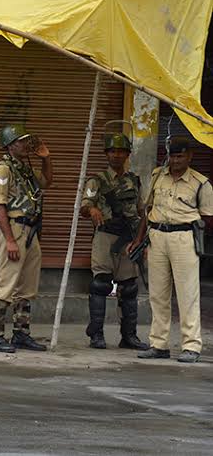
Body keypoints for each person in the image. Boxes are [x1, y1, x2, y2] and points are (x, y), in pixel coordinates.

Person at [130, 137, 213, 363]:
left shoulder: (201, 183)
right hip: (157, 237)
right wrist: (139, 239)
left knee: (188, 294)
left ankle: (191, 346)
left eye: (179, 156)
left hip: (184, 238)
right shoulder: (158, 175)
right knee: (158, 294)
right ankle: (159, 344)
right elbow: (147, 210)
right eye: (172, 156)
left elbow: (208, 218)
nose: (174, 161)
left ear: (189, 156)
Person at [0, 124, 53, 352]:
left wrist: (45, 158)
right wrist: (10, 240)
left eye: (26, 141)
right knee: (6, 283)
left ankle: (21, 333)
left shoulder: (23, 169)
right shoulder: (3, 170)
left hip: (30, 230)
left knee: (27, 286)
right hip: (13, 229)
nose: (25, 145)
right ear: (9, 145)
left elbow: (45, 182)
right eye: (20, 142)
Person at [80, 130, 148, 350]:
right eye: (112, 151)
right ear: (106, 154)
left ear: (127, 154)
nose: (117, 155)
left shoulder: (134, 181)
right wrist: (93, 210)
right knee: (100, 284)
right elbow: (84, 205)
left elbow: (141, 211)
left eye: (121, 151)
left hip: (128, 239)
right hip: (105, 235)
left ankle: (128, 336)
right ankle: (96, 335)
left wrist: (142, 240)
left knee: (129, 288)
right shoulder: (97, 180)